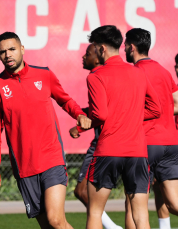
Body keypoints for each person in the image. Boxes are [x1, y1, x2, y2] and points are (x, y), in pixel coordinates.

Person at [0, 32, 91, 229]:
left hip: (52, 159)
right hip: (24, 168)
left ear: (22, 49)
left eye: (12, 49)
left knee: (56, 220)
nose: (8, 55)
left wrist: (78, 114)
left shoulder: (44, 74)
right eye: (2, 52)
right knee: (49, 226)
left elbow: (64, 99)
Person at [124, 28, 178, 229]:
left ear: (132, 47)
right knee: (176, 202)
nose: (124, 49)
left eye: (126, 45)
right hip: (171, 145)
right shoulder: (163, 71)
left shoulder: (134, 72)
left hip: (147, 144)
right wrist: (163, 114)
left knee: (133, 205)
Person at [83, 25, 161, 229]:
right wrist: (130, 115)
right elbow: (155, 109)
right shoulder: (138, 73)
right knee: (141, 215)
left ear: (101, 49)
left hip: (109, 150)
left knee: (95, 212)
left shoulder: (96, 76)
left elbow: (100, 114)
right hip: (137, 152)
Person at [69, 44, 122, 229]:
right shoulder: (115, 75)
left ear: (99, 55)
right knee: (135, 200)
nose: (83, 57)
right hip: (125, 144)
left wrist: (80, 127)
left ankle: (110, 226)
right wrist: (80, 113)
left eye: (87, 54)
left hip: (104, 144)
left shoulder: (96, 76)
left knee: (82, 192)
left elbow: (100, 114)